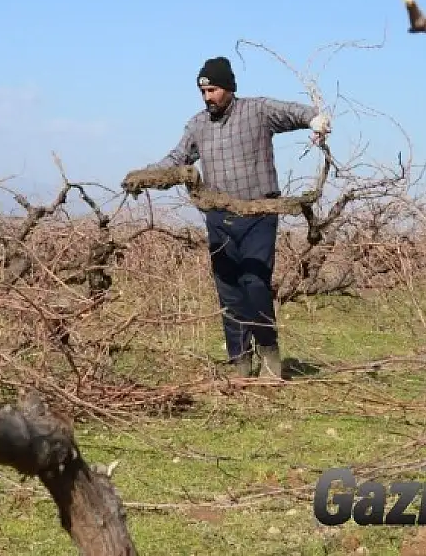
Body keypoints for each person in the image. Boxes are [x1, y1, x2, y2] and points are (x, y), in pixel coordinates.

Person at [123, 56, 330, 379]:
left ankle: (269, 353)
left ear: (229, 88)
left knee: (254, 282)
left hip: (259, 213)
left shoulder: (257, 111)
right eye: (203, 91)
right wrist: (144, 176)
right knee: (229, 290)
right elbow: (177, 158)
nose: (208, 97)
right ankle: (240, 362)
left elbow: (295, 112)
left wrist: (316, 120)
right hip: (218, 216)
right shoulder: (197, 125)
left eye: (213, 90)